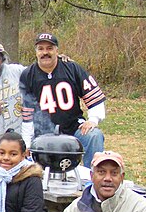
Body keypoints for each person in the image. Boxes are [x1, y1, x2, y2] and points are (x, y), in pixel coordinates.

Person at [20, 33, 106, 167]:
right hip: (42, 133)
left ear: (57, 50)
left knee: (94, 135)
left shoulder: (72, 68)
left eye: (49, 48)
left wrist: (93, 119)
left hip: (73, 126)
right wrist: (26, 142)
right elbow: (27, 114)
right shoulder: (28, 75)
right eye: (41, 49)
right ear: (36, 52)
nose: (45, 52)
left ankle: (94, 177)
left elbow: (93, 95)